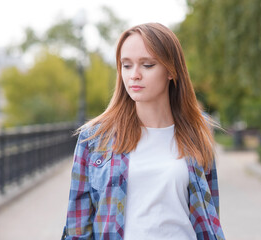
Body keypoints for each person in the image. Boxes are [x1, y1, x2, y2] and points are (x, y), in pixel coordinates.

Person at [61, 23, 225, 240]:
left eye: (147, 65)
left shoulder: (197, 133)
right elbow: (77, 229)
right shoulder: (94, 138)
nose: (134, 75)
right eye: (126, 66)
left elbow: (209, 214)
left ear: (171, 70)